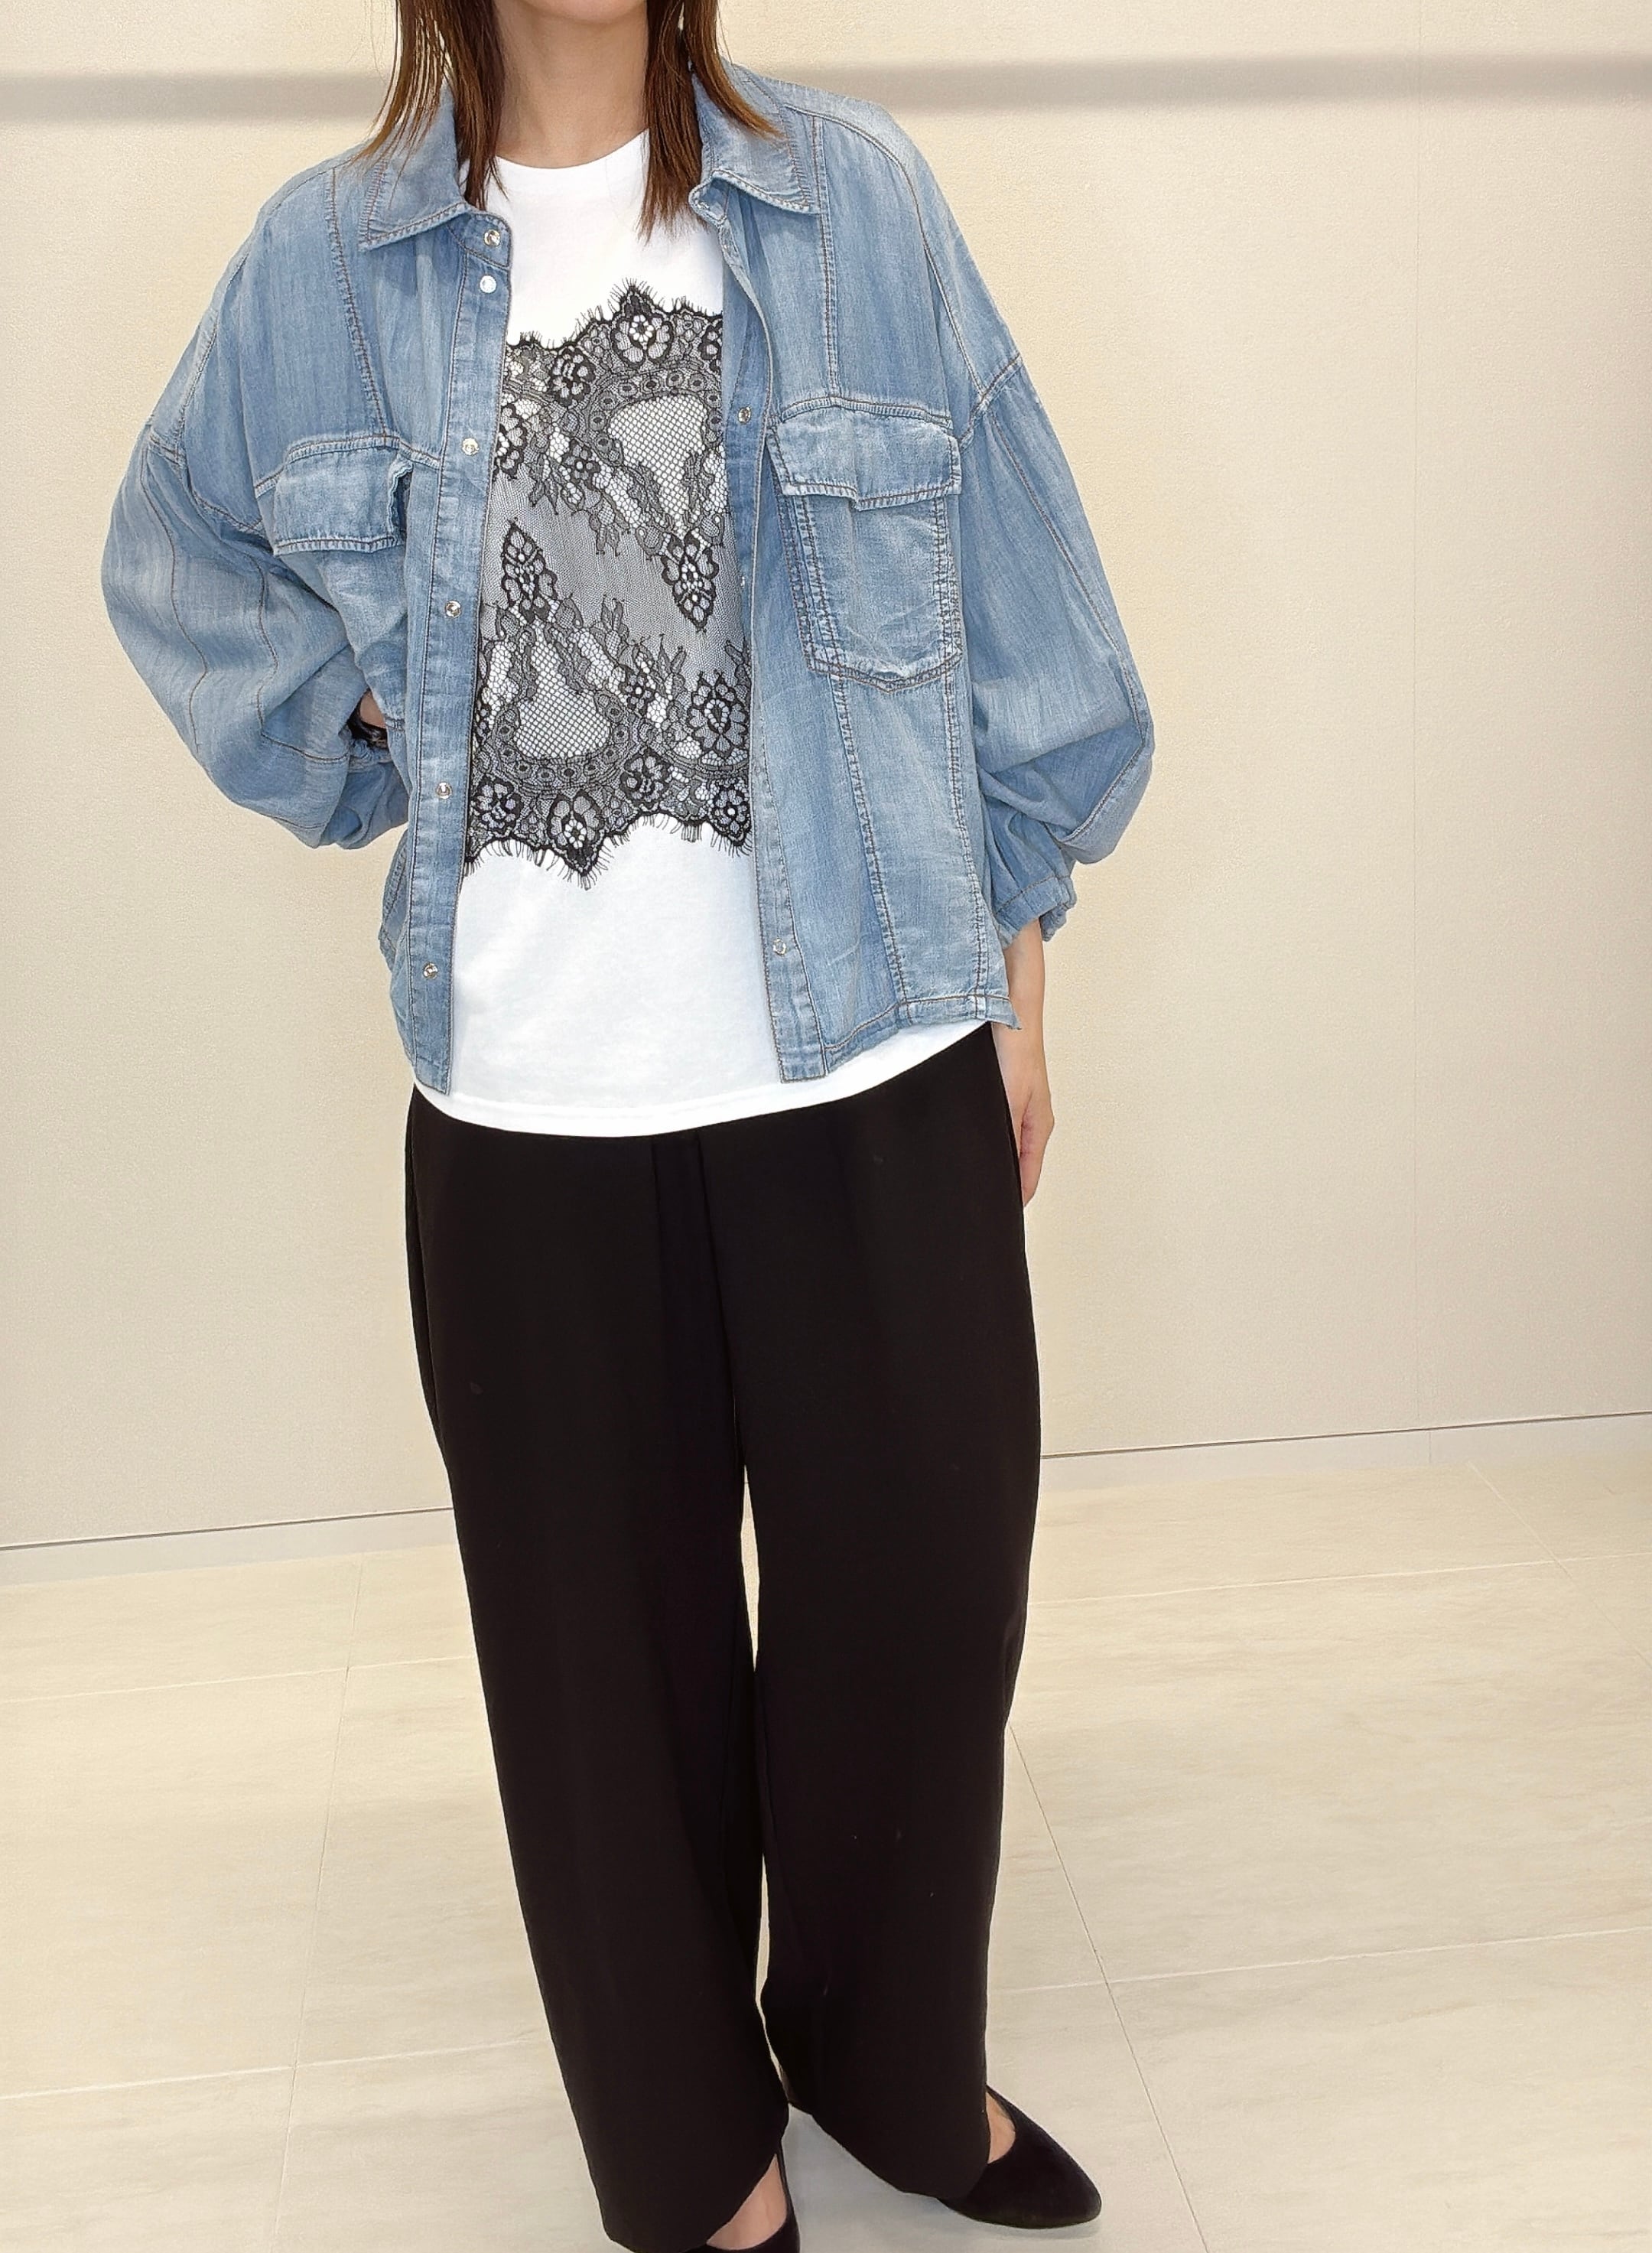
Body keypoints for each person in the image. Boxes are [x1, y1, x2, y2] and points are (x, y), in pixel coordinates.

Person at [101, 2, 1153, 2247]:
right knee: (604, 1685)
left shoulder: (855, 205)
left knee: (920, 1625)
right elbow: (170, 553)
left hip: (871, 1052)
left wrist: (1022, 971)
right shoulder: (324, 264)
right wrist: (372, 729)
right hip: (530, 1110)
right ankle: (694, 2158)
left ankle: (887, 2066)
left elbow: (1028, 620)